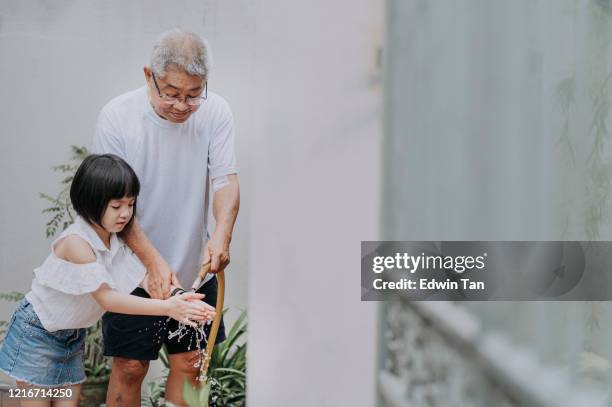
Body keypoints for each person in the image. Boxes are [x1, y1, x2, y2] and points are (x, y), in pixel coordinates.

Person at [93, 28, 240, 406]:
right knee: (129, 366)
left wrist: (221, 235)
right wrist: (153, 263)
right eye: (171, 93)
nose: (181, 105)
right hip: (131, 270)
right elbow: (110, 203)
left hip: (194, 268)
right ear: (149, 76)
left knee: (192, 363)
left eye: (193, 94)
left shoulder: (216, 112)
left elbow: (225, 182)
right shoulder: (118, 117)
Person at [0, 154, 215, 407]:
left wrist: (181, 297)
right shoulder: (76, 243)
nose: (125, 214)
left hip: (71, 337)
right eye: (116, 206)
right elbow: (107, 299)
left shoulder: (114, 241)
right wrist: (169, 308)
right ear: (90, 203)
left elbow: (146, 280)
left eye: (131, 204)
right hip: (37, 334)